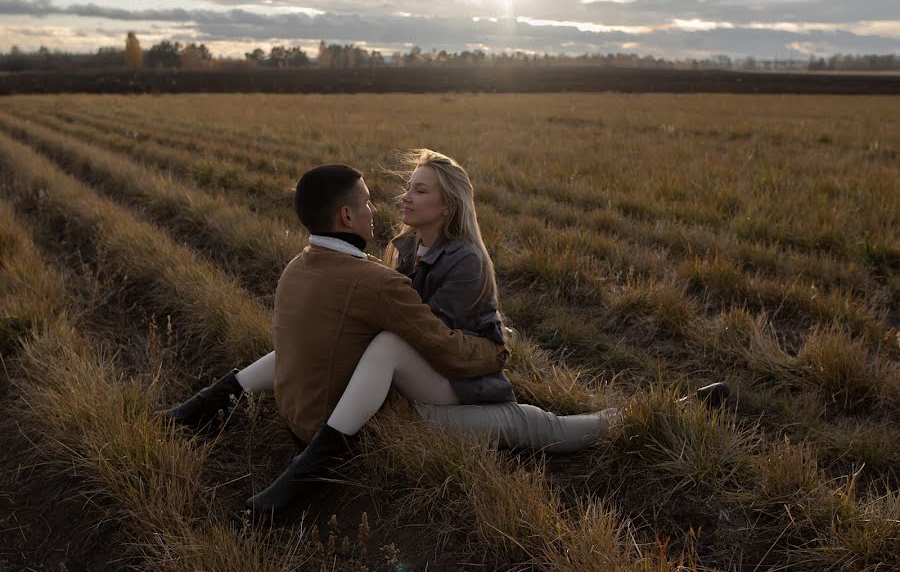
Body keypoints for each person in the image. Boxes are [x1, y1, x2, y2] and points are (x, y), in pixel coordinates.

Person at [163, 150, 728, 515]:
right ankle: (303, 468)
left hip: (439, 376)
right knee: (508, 414)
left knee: (541, 426)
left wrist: (486, 352)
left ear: (448, 205)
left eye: (419, 191)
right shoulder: (402, 251)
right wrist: (492, 350)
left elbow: (436, 344)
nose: (400, 199)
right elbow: (424, 340)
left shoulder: (462, 262)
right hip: (420, 385)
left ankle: (662, 410)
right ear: (345, 219)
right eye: (400, 189)